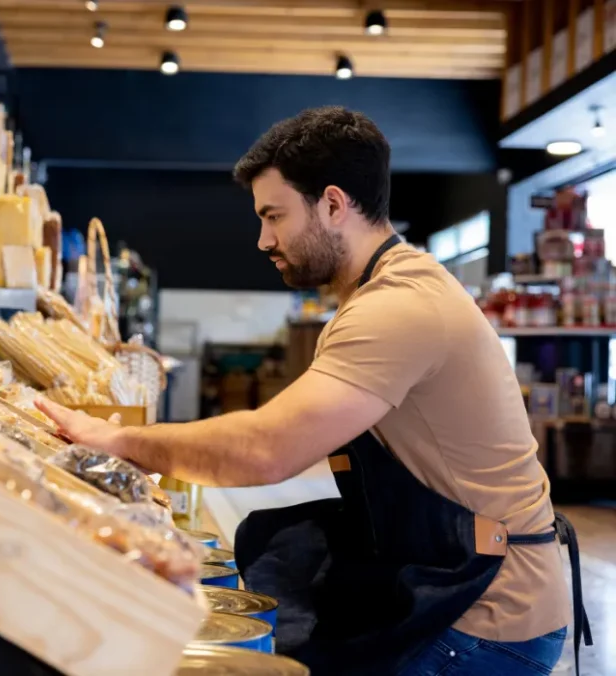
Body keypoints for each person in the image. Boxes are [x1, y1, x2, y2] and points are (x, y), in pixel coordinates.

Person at [37, 107, 590, 676]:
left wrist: (123, 440)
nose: (263, 239)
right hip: (453, 578)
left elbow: (266, 449)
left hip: (483, 621)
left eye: (274, 216)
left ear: (332, 203)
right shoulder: (384, 292)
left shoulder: (397, 307)